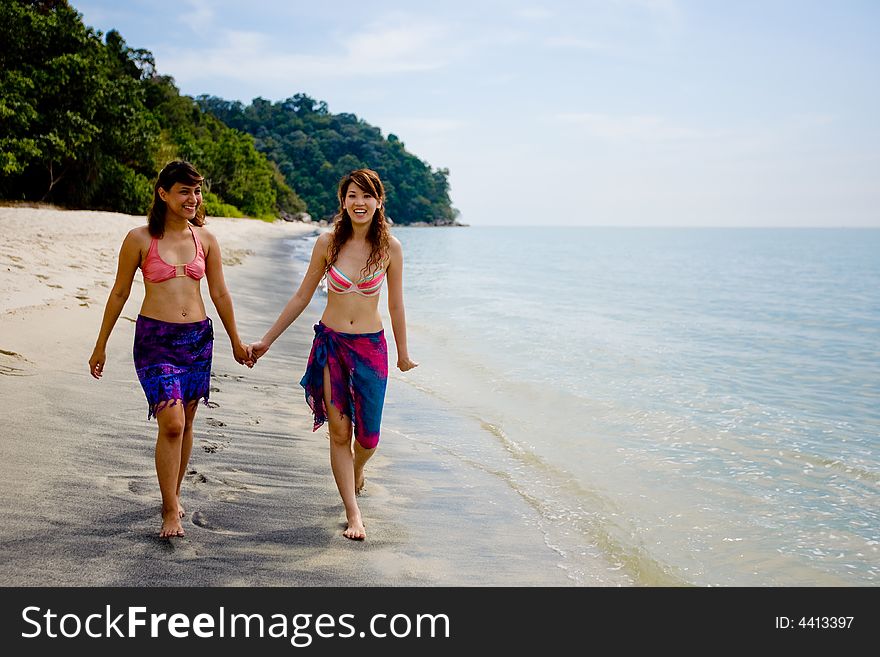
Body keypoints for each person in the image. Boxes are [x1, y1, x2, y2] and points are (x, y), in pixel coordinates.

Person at [249, 168, 417, 540]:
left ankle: (358, 470)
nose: (359, 203)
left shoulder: (391, 248)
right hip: (332, 346)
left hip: (371, 349)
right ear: (342, 201)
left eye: (367, 196)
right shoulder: (327, 243)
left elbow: (397, 306)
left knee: (368, 439)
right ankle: (353, 513)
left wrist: (403, 353)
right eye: (352, 196)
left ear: (378, 201)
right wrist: (267, 340)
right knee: (339, 433)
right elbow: (302, 295)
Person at [88, 160, 253, 539]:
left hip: (197, 339)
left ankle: (173, 494)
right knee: (173, 423)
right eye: (184, 191)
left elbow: (220, 293)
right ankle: (169, 511)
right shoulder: (140, 238)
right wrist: (101, 345)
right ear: (163, 194)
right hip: (155, 340)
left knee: (188, 422)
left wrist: (235, 340)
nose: (192, 199)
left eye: (196, 191)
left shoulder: (206, 240)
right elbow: (119, 293)